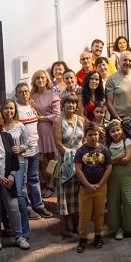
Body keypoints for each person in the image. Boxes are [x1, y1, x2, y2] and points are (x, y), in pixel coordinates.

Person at [0, 110, 29, 251]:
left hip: (9, 180)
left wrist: (11, 176)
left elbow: (14, 158)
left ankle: (19, 236)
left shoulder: (7, 136)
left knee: (13, 208)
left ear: (0, 123)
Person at [73, 122, 114, 252]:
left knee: (99, 213)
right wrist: (88, 185)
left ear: (99, 135)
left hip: (100, 189)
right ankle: (83, 238)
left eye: (95, 134)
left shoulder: (104, 150)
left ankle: (98, 236)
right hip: (85, 189)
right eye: (90, 135)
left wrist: (101, 183)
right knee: (84, 215)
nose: (93, 137)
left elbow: (109, 167)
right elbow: (78, 170)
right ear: (85, 136)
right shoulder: (81, 151)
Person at [15, 81, 51, 218]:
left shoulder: (31, 105)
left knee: (34, 179)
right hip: (22, 152)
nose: (24, 94)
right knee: (23, 181)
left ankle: (39, 205)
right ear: (16, 95)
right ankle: (28, 207)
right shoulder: (15, 109)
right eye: (20, 92)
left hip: (35, 149)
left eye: (26, 91)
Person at [106, 119, 131, 241]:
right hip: (111, 180)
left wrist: (112, 160)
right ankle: (119, 229)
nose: (116, 133)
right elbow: (106, 162)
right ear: (109, 134)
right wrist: (118, 157)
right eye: (112, 131)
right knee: (114, 204)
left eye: (118, 130)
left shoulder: (127, 141)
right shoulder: (107, 145)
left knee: (130, 202)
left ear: (122, 130)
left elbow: (127, 159)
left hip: (125, 178)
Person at [54, 95, 86, 237]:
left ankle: (76, 223)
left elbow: (84, 140)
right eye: (68, 103)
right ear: (63, 104)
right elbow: (58, 144)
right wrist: (72, 157)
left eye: (73, 103)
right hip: (66, 162)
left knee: (78, 194)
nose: (71, 105)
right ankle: (63, 226)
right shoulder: (58, 121)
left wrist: (81, 157)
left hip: (79, 162)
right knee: (65, 195)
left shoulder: (81, 120)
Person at [0, 99, 32, 241]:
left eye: (11, 108)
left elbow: (28, 143)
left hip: (18, 164)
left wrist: (21, 148)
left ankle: (24, 229)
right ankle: (8, 226)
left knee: (18, 195)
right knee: (4, 197)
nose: (9, 111)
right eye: (6, 108)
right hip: (2, 166)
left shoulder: (20, 126)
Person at [30, 70, 62, 197]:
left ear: (47, 79)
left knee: (51, 159)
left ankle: (52, 185)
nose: (40, 80)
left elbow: (57, 116)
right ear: (34, 81)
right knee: (41, 159)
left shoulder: (53, 95)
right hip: (36, 131)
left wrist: (41, 118)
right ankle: (46, 183)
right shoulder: (31, 95)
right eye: (37, 78)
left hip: (50, 130)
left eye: (42, 77)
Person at [106, 51, 131, 133]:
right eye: (125, 60)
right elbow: (109, 102)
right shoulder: (111, 79)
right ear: (119, 62)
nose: (127, 62)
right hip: (118, 120)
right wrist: (119, 120)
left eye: (130, 61)